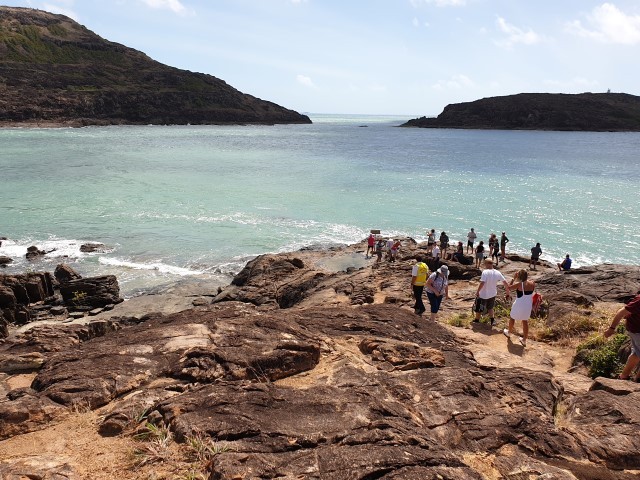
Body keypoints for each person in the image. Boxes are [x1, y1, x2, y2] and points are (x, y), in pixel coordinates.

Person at [604, 292, 640, 381]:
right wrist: (611, 329)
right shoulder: (639, 301)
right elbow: (621, 312)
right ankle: (637, 380)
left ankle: (624, 376)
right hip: (636, 330)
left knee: (636, 353)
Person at [474, 258, 511, 326]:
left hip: (483, 294)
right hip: (492, 293)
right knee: (490, 308)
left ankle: (477, 320)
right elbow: (505, 283)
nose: (484, 265)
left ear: (487, 264)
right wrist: (508, 293)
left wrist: (478, 291)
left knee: (480, 307)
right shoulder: (497, 272)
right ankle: (492, 321)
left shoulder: (485, 272)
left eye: (484, 263)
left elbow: (482, 283)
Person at [504, 269, 536, 346]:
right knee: (525, 321)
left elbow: (508, 288)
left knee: (512, 318)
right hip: (528, 305)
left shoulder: (519, 284)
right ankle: (524, 340)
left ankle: (509, 332)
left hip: (519, 304)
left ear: (519, 276)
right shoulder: (532, 283)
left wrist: (513, 278)